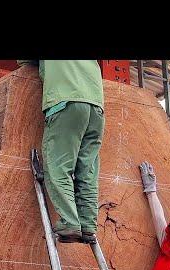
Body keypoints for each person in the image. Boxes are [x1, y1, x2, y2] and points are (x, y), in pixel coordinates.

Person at [17, 60, 105, 243]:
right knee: (87, 170)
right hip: (96, 108)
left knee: (58, 166)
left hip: (65, 103)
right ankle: (88, 225)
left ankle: (70, 222)